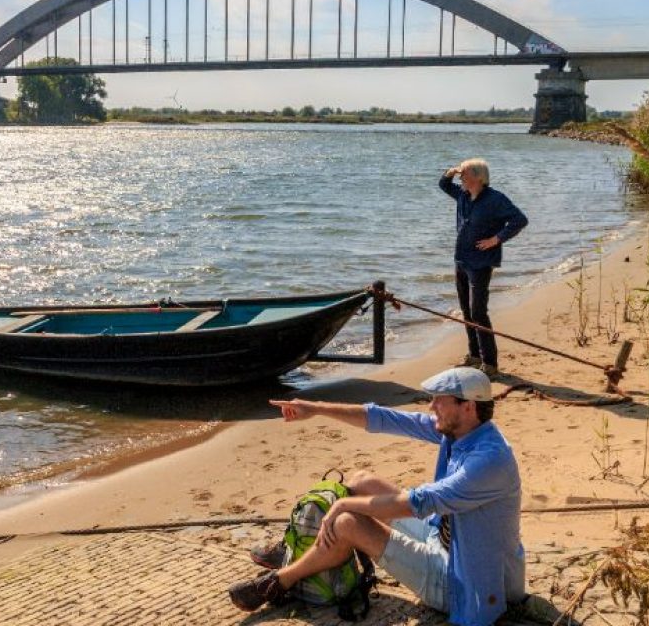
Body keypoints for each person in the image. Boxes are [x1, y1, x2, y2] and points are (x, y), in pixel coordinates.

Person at [226, 367, 526, 626]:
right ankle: (301, 552)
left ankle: (280, 582)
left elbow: (417, 504)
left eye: (439, 400)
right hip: (445, 538)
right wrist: (315, 408)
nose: (431, 406)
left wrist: (342, 503)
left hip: (464, 579)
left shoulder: (489, 460)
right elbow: (384, 418)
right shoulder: (462, 430)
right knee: (361, 482)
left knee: (346, 521)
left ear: (468, 406)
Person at [439, 158, 528, 377]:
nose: (461, 177)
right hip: (461, 259)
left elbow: (520, 220)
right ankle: (474, 356)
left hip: (481, 262)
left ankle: (490, 363)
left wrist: (496, 239)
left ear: (478, 177)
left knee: (479, 311)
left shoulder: (496, 199)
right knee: (467, 311)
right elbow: (443, 184)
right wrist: (452, 170)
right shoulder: (462, 195)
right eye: (461, 174)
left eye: (465, 174)